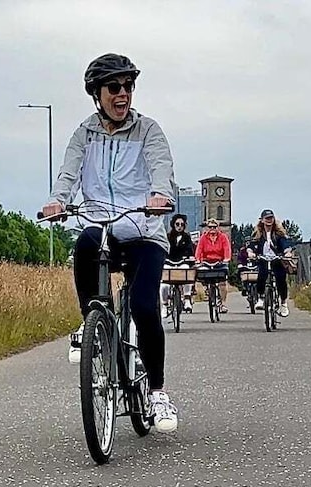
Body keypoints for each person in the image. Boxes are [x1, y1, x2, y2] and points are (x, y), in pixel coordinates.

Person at [42, 53, 178, 433]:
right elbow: (68, 173)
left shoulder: (148, 130)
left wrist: (159, 196)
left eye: (128, 86)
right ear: (97, 94)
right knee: (85, 244)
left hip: (144, 229)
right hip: (102, 225)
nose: (123, 95)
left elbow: (161, 168)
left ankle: (157, 391)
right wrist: (58, 200)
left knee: (144, 307)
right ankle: (91, 322)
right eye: (114, 87)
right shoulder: (84, 134)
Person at [246, 209, 294, 317]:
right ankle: (262, 297)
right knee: (261, 277)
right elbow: (251, 245)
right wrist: (251, 253)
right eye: (266, 218)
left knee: (281, 279)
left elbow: (285, 244)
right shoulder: (258, 234)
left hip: (277, 259)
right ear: (262, 220)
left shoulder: (278, 234)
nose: (269, 220)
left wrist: (287, 253)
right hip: (263, 259)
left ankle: (283, 303)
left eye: (271, 218)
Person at [193, 218, 232, 313]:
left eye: (214, 227)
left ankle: (223, 303)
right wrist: (197, 260)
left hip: (219, 262)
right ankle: (207, 290)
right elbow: (199, 249)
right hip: (206, 262)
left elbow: (227, 249)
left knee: (222, 281)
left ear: (217, 227)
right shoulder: (203, 237)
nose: (212, 229)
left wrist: (226, 259)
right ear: (207, 228)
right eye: (210, 227)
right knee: (201, 274)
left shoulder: (223, 237)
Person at [160, 213, 195, 317]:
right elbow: (163, 249)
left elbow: (190, 250)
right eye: (177, 224)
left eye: (182, 224)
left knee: (187, 275)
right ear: (173, 225)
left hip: (182, 263)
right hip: (169, 263)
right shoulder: (167, 237)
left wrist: (190, 258)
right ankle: (164, 306)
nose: (179, 226)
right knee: (164, 285)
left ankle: (187, 298)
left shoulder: (187, 237)